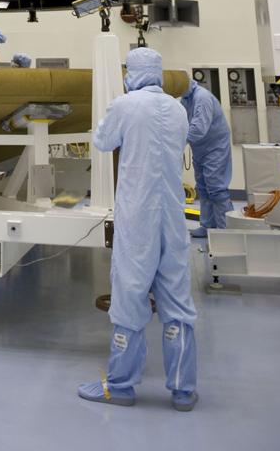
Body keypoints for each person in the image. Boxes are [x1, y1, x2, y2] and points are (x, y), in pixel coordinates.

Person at [79, 47, 198, 412]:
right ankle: (183, 390)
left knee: (130, 296)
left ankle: (121, 386)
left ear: (132, 72)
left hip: (138, 216)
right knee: (177, 299)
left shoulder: (126, 104)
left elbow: (102, 141)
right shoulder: (178, 108)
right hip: (174, 217)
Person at [181, 78, 232, 237]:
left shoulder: (202, 98)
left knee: (216, 189)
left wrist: (176, 144)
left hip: (214, 147)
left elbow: (198, 129)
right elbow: (180, 122)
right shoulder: (185, 99)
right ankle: (208, 226)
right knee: (203, 188)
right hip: (200, 148)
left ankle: (227, 232)